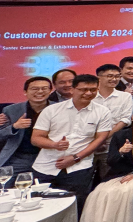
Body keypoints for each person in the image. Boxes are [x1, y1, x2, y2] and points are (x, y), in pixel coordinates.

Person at [31, 74, 112, 211]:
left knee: (74, 206)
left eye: (93, 90)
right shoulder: (51, 110)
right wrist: (54, 145)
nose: (88, 93)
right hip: (46, 165)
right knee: (40, 205)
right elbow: (36, 138)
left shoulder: (102, 112)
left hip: (79, 166)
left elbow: (100, 139)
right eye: (83, 89)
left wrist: (75, 158)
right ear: (72, 89)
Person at [0, 76, 52, 188]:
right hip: (19, 157)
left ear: (50, 91)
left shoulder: (59, 108)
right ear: (25, 92)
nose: (40, 92)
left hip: (49, 157)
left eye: (44, 88)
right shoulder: (12, 110)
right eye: (34, 89)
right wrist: (15, 126)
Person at [93, 63, 133, 180]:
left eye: (117, 76)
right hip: (88, 145)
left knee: (107, 180)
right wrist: (95, 141)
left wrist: (102, 138)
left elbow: (125, 120)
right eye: (110, 76)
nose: (114, 79)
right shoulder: (91, 96)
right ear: (99, 77)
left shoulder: (125, 97)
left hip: (112, 146)